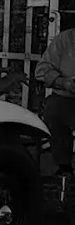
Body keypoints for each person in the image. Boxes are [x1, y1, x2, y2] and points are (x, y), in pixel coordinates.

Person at [36, 24, 75, 177]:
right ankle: (64, 166)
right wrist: (63, 82)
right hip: (66, 97)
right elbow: (42, 70)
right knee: (54, 109)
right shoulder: (65, 39)